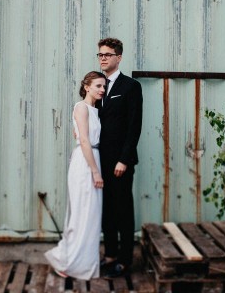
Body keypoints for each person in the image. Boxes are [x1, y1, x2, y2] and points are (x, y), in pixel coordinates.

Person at [44, 71, 107, 280]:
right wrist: (95, 172)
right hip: (86, 163)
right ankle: (68, 262)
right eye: (98, 86)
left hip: (93, 157)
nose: (102, 90)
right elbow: (85, 141)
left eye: (104, 86)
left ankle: (83, 263)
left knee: (91, 215)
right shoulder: (81, 107)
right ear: (87, 86)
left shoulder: (95, 110)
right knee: (82, 212)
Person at [96, 37, 143, 279]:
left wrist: (124, 159)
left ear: (119, 57)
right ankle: (111, 254)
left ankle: (125, 260)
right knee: (106, 211)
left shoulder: (130, 86)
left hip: (120, 162)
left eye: (107, 54)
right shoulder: (97, 85)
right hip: (100, 160)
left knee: (123, 209)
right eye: (100, 54)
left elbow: (134, 126)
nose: (103, 58)